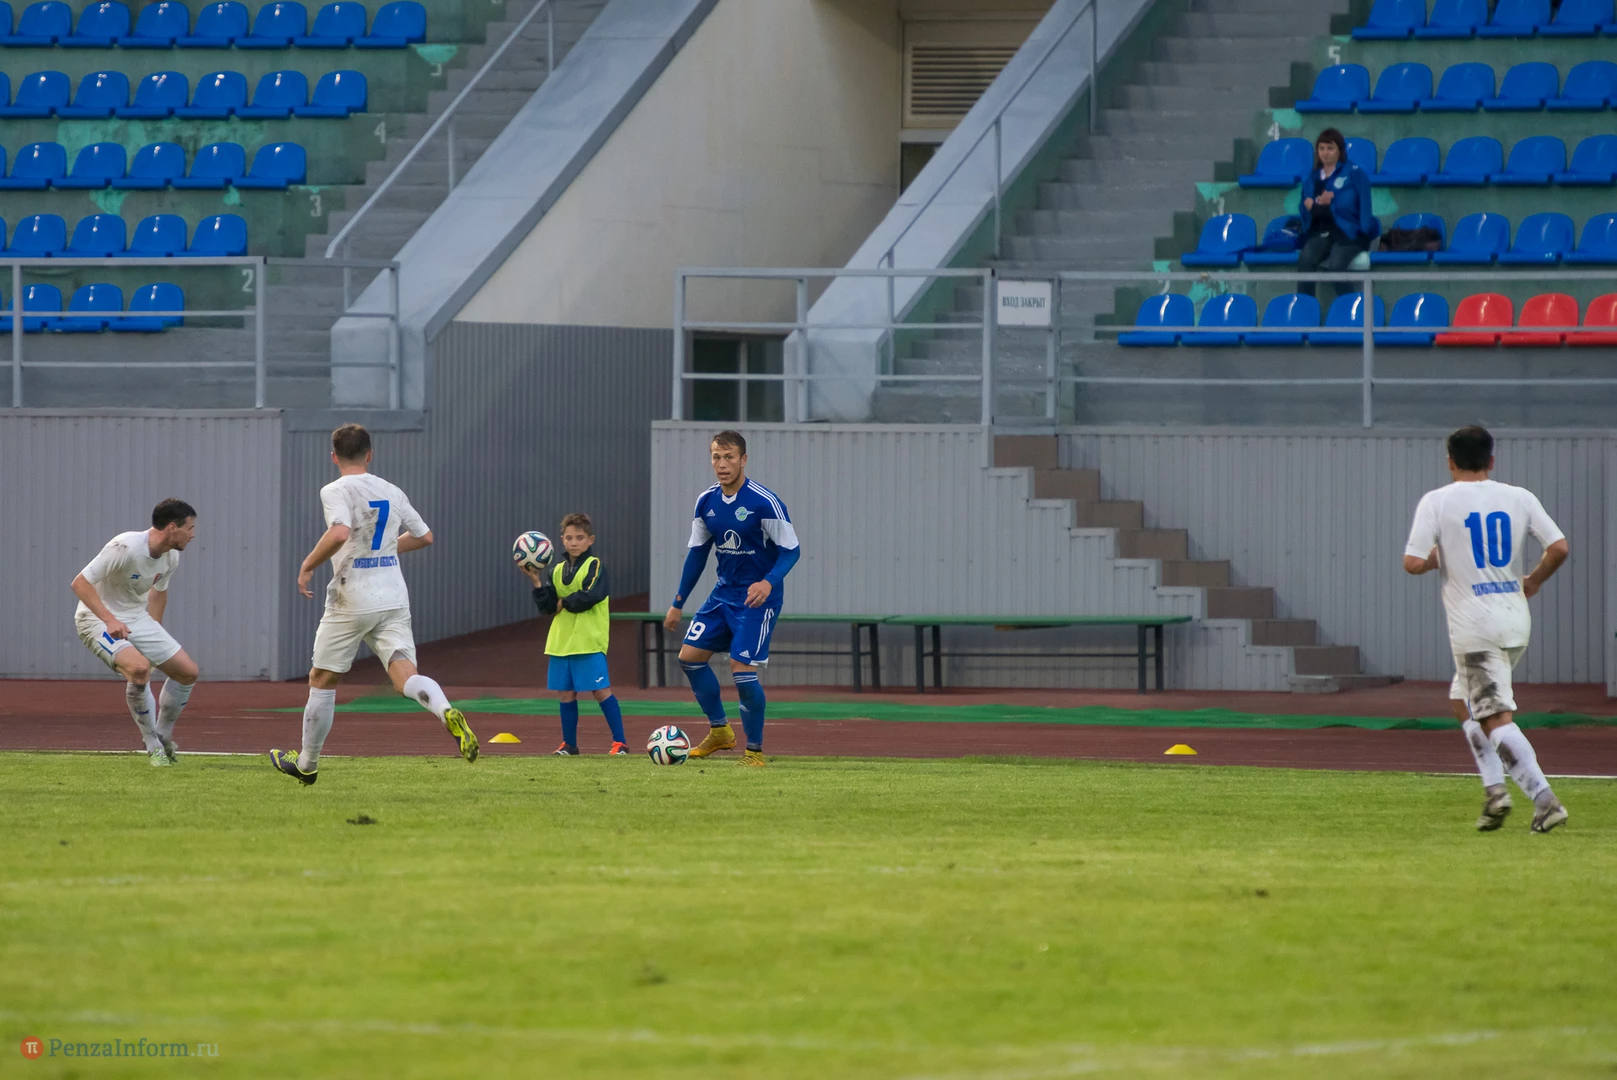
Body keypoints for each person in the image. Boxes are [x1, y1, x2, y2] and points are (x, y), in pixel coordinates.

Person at [269, 424, 478, 784]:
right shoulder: (391, 490)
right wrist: (385, 549)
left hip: (352, 596)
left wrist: (308, 565)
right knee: (404, 676)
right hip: (393, 595)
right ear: (370, 454)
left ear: (333, 457)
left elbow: (339, 532)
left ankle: (307, 763)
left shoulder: (335, 489)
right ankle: (445, 710)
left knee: (322, 678)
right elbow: (425, 536)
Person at [1403, 425, 1570, 833]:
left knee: (1494, 715)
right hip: (1514, 619)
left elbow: (1413, 562)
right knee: (1463, 701)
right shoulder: (1519, 496)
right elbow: (1558, 547)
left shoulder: (1437, 501)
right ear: (1491, 460)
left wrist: (1437, 558)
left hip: (1475, 626)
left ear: (1450, 461)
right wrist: (1533, 581)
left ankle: (1545, 800)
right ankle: (1495, 791)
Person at [663, 430, 800, 767]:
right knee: (689, 658)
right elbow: (697, 554)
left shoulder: (763, 501)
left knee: (741, 670)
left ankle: (754, 751)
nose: (722, 464)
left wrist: (767, 583)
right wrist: (678, 602)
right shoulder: (706, 502)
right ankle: (720, 731)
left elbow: (791, 550)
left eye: (729, 457)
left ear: (743, 460)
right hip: (722, 594)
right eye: (716, 457)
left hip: (757, 600)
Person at [71, 498, 200, 767]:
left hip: (137, 619)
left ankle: (163, 735)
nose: (193, 534)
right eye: (189, 528)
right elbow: (80, 583)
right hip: (96, 619)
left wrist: (156, 631)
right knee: (139, 670)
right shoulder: (125, 547)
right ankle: (153, 746)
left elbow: (158, 593)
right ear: (172, 527)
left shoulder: (171, 557)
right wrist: (109, 620)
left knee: (188, 672)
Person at [523, 512, 628, 756]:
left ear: (590, 540)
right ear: (561, 540)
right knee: (566, 693)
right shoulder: (556, 571)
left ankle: (620, 742)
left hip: (588, 640)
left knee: (600, 691)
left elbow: (590, 596)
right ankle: (569, 744)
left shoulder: (595, 566)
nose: (574, 543)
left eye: (580, 538)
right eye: (569, 538)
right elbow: (547, 607)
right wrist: (536, 581)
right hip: (561, 641)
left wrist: (562, 602)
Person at [1296, 128, 1376, 303]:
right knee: (1305, 261)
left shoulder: (1354, 172)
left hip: (1350, 233)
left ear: (1340, 150)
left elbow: (1355, 206)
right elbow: (1306, 207)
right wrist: (1315, 206)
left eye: (1330, 148)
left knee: (1336, 267)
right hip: (1322, 232)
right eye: (1322, 148)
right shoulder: (1312, 177)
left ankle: (1353, 309)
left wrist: (1326, 204)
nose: (1325, 153)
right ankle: (1305, 309)